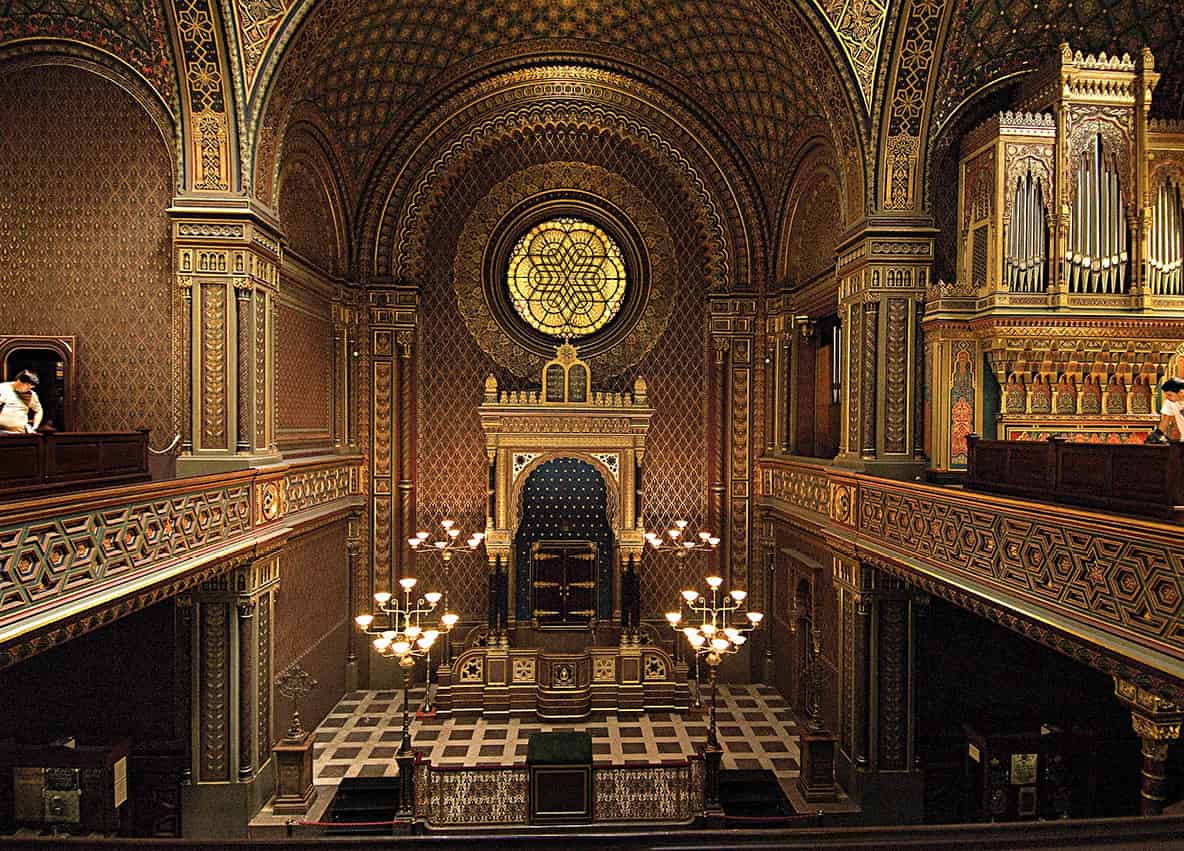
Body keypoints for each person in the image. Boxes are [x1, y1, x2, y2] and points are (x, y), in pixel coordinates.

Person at [0, 369, 43, 434]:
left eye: (31, 387)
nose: (29, 388)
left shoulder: (31, 395)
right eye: (27, 385)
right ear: (19, 381)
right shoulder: (2, 388)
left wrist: (34, 427)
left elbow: (39, 411)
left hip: (20, 433)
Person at [1145, 377, 1184, 444]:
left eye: (1170, 395)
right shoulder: (1169, 402)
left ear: (1181, 392)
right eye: (1166, 395)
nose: (1167, 397)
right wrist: (1156, 435)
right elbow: (1165, 422)